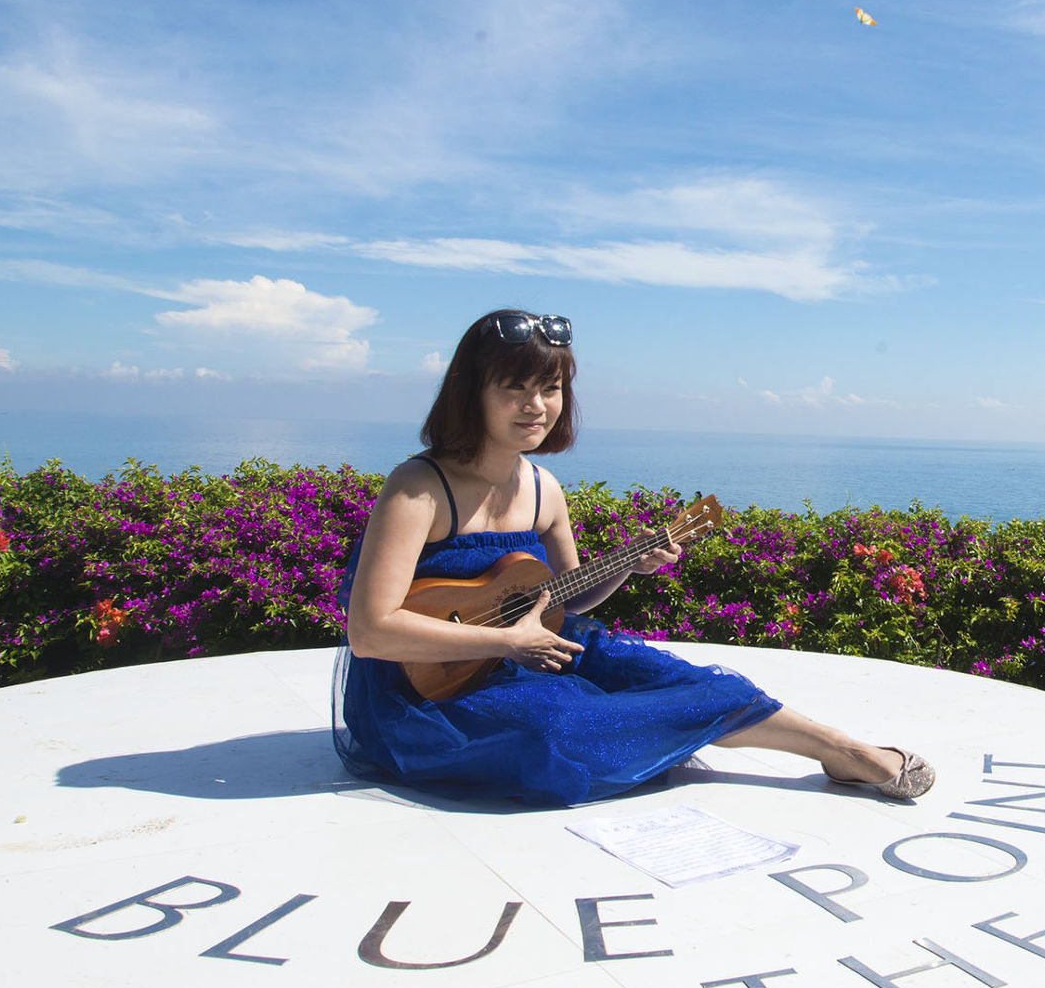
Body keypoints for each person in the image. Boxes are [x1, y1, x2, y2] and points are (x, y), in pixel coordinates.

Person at [334, 308, 935, 808]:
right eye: (513, 387)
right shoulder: (418, 489)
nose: (535, 405)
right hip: (427, 688)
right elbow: (370, 631)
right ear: (473, 395)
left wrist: (626, 563)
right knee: (557, 729)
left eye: (550, 387)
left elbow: (567, 597)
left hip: (531, 650)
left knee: (691, 682)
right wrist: (507, 644)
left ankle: (841, 750)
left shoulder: (544, 488)